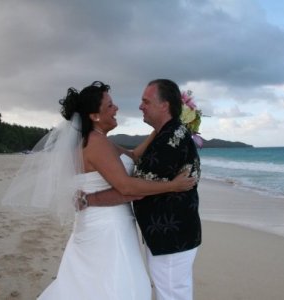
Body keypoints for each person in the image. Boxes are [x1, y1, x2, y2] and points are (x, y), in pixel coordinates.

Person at [2, 81, 195, 300]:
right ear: (94, 115)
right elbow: (127, 187)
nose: (116, 109)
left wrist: (157, 131)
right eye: (110, 106)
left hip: (97, 223)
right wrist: (173, 185)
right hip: (109, 228)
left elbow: (133, 156)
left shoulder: (98, 140)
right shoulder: (96, 143)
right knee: (120, 286)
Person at [81, 79, 201, 300]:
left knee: (171, 294)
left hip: (170, 237)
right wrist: (158, 130)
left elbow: (133, 188)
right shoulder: (168, 134)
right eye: (110, 105)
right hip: (165, 233)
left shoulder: (168, 141)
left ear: (164, 106)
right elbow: (134, 159)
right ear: (94, 115)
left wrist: (90, 199)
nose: (139, 106)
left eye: (145, 101)